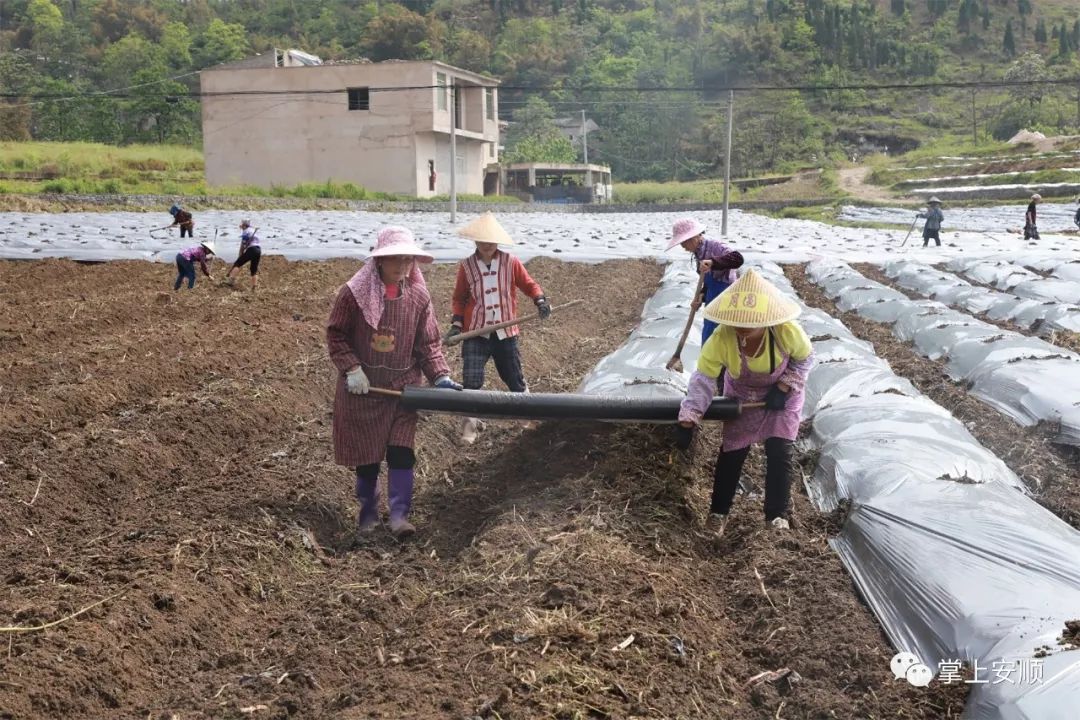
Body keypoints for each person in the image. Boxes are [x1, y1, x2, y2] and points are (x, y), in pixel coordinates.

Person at [326, 226, 462, 540]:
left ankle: (400, 516)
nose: (402, 267)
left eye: (407, 260)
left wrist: (440, 375)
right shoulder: (353, 294)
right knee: (368, 458)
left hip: (402, 390)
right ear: (379, 261)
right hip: (364, 390)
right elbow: (336, 335)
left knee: (402, 452)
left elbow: (427, 344)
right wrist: (352, 368)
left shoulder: (418, 295)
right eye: (395, 260)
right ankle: (369, 516)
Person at [675, 269, 814, 534]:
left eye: (750, 322)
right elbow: (704, 379)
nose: (742, 326)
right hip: (742, 394)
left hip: (783, 395)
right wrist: (689, 417)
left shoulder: (785, 331)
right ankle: (718, 514)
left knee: (780, 451)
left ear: (766, 318)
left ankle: (776, 516)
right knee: (732, 452)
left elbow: (804, 358)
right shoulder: (722, 337)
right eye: (738, 320)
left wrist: (784, 386)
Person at [448, 212, 550, 443]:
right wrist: (456, 323)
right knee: (472, 380)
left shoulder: (510, 262)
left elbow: (529, 284)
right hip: (477, 332)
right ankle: (469, 425)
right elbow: (459, 298)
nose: (487, 245)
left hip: (505, 332)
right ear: (475, 241)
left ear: (497, 241)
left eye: (491, 241)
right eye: (482, 241)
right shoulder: (467, 267)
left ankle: (525, 417)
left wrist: (540, 300)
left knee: (514, 378)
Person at [666, 217, 744, 344]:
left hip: (727, 298)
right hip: (712, 298)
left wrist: (713, 262)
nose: (683, 247)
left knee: (724, 337)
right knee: (710, 337)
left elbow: (738, 259)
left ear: (694, 237)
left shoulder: (715, 246)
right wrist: (701, 297)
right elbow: (709, 282)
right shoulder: (698, 254)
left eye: (684, 242)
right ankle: (708, 363)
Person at [226, 220, 261, 291]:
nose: (241, 227)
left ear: (244, 226)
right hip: (258, 250)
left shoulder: (246, 232)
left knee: (237, 264)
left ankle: (230, 281)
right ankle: (254, 287)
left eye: (242, 226)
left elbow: (243, 245)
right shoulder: (252, 230)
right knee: (253, 270)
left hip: (251, 249)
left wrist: (240, 254)